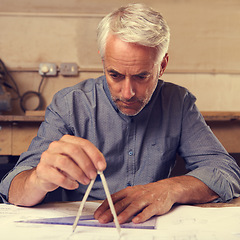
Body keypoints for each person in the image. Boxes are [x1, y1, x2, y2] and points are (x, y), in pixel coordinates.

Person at [0, 3, 240, 225]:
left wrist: (169, 189)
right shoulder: (70, 104)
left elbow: (225, 172)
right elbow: (12, 188)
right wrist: (37, 180)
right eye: (114, 75)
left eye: (141, 76)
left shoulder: (178, 103)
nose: (127, 93)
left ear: (163, 65)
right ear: (103, 61)